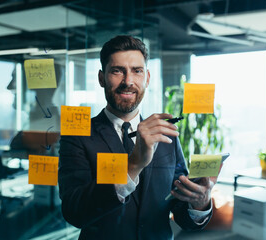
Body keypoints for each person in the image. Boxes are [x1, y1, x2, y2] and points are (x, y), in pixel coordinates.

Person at [58, 35, 215, 240]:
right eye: (117, 71)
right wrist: (133, 165)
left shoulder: (166, 135)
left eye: (137, 71)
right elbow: (74, 212)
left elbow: (180, 209)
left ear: (147, 78)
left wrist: (200, 201)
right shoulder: (78, 136)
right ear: (101, 78)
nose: (128, 81)